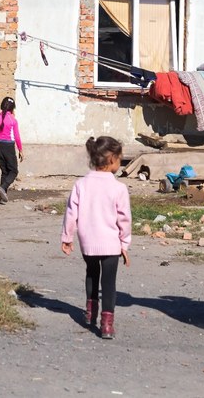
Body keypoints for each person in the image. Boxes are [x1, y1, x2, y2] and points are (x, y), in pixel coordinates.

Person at [60, 136, 132, 340]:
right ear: (111, 159)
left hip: (88, 242)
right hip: (111, 244)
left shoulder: (81, 184)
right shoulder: (119, 188)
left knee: (91, 274)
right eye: (120, 159)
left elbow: (71, 213)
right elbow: (124, 219)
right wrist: (124, 243)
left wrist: (67, 237)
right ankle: (107, 325)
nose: (120, 163)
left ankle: (90, 313)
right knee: (109, 283)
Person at [0, 96, 24, 203]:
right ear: (12, 109)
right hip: (9, 147)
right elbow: (17, 137)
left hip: (0, 146)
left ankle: (2, 197)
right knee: (14, 171)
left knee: (4, 172)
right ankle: (3, 188)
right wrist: (20, 149)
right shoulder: (13, 120)